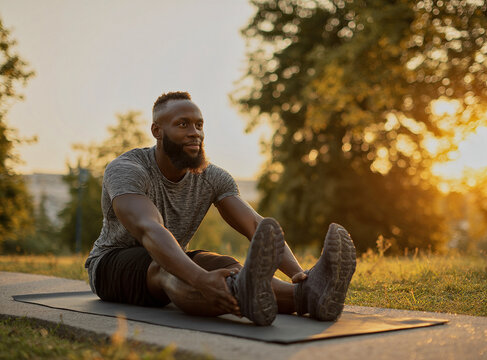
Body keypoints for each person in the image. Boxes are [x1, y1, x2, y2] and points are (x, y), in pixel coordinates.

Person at [85, 91, 357, 326]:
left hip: (173, 255)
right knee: (167, 269)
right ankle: (242, 296)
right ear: (157, 130)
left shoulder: (212, 176)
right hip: (111, 265)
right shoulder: (127, 169)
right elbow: (149, 229)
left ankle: (310, 294)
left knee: (230, 268)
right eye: (183, 124)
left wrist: (298, 274)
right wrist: (201, 279)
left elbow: (254, 224)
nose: (195, 132)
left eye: (199, 125)